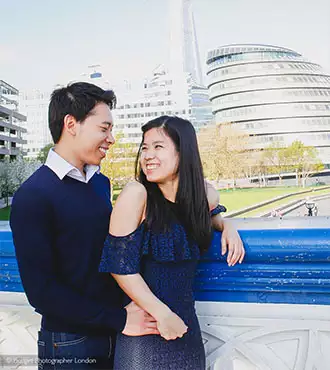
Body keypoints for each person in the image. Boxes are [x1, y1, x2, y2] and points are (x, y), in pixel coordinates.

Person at [9, 82, 158, 369]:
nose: (111, 138)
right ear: (71, 124)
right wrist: (121, 318)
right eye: (104, 128)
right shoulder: (34, 195)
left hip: (118, 333)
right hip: (69, 342)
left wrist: (218, 220)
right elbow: (42, 292)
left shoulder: (101, 184)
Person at [99, 115, 245, 369]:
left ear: (183, 152)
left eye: (158, 147)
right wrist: (162, 313)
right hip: (147, 329)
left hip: (186, 328)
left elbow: (208, 215)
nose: (147, 156)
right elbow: (119, 267)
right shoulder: (136, 194)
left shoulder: (204, 195)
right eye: (144, 148)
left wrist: (227, 225)